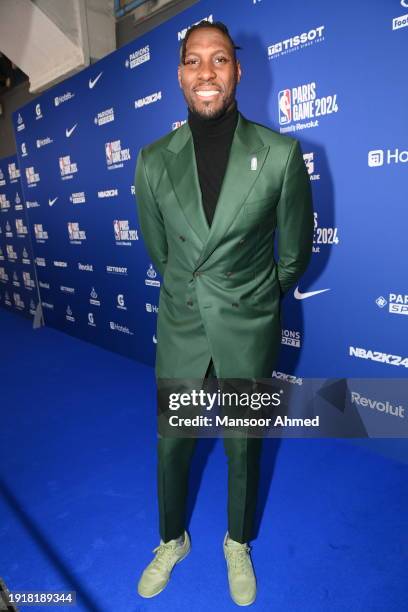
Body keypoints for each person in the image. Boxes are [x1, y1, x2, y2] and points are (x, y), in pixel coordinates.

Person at [134, 20, 314, 606]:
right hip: (182, 322)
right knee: (172, 443)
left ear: (238, 70)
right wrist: (195, 293)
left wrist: (256, 300)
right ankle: (171, 538)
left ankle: (238, 541)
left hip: (247, 324)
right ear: (180, 73)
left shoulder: (282, 155)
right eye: (193, 61)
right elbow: (161, 252)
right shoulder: (154, 160)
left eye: (218, 60)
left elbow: (294, 252)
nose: (205, 73)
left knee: (243, 443)